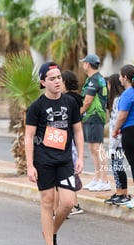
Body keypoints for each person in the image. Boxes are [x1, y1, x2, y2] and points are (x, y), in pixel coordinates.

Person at [25, 62, 84, 245]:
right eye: (52, 78)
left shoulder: (70, 103)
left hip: (65, 161)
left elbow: (77, 130)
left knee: (67, 203)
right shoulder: (36, 107)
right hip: (44, 161)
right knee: (48, 202)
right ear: (43, 82)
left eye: (59, 77)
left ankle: (51, 232)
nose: (57, 81)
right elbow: (29, 136)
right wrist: (30, 165)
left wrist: (81, 158)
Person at [112, 64, 134, 208]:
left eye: (120, 76)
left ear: (125, 77)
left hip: (130, 132)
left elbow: (122, 116)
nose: (119, 78)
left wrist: (115, 130)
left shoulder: (128, 93)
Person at [79, 54, 110, 192]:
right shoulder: (95, 79)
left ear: (88, 64)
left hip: (94, 117)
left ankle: (104, 180)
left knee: (98, 148)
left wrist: (77, 113)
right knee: (93, 148)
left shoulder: (95, 80)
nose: (82, 65)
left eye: (84, 62)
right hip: (91, 118)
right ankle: (97, 178)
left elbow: (87, 101)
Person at [104, 74, 130, 205]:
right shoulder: (117, 99)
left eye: (108, 84)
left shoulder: (117, 100)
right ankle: (119, 191)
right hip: (117, 139)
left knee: (117, 165)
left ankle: (123, 193)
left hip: (117, 139)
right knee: (116, 166)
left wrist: (113, 140)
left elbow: (116, 121)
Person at [62, 70, 84, 215]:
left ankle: (72, 204)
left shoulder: (67, 100)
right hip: (71, 138)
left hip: (67, 138)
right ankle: (73, 204)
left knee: (68, 171)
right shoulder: (78, 97)